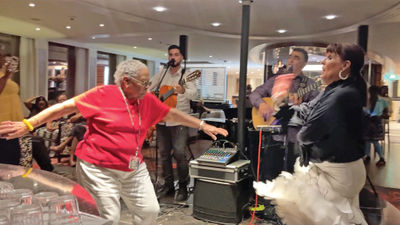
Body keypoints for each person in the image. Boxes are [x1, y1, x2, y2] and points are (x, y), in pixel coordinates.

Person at [0, 59, 227, 225]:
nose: (148, 88)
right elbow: (64, 107)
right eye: (145, 83)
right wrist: (28, 125)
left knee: (149, 210)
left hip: (132, 168)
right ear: (126, 81)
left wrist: (202, 125)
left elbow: (171, 114)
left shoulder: (145, 100)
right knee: (109, 216)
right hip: (98, 168)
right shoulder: (102, 94)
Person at [254, 43, 368, 225]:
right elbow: (307, 110)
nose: (323, 61)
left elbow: (308, 131)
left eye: (329, 58)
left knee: (318, 214)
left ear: (345, 66)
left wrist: (295, 114)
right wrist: (278, 106)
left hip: (336, 170)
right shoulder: (331, 90)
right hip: (326, 165)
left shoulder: (339, 94)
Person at [249, 48, 319, 180]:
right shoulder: (275, 80)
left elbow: (316, 112)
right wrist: (262, 104)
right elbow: (255, 94)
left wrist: (301, 107)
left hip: (296, 140)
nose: (291, 60)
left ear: (304, 63)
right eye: (290, 56)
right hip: (274, 138)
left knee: (294, 176)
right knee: (269, 174)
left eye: (296, 57)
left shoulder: (310, 85)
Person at [149, 45, 198, 201]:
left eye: (176, 54)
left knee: (178, 153)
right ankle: (169, 185)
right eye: (171, 54)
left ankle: (183, 186)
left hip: (179, 121)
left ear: (181, 57)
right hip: (162, 120)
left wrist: (183, 91)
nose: (173, 57)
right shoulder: (162, 74)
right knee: (163, 154)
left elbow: (194, 94)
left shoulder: (187, 75)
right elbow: (151, 88)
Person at [0, 54, 22, 165]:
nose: (3, 60)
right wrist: (8, 74)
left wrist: (8, 74)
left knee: (13, 159)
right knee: (6, 160)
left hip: (11, 123)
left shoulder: (3, 75)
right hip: (2, 123)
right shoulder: (4, 76)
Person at [364, 85, 386, 166]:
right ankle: (379, 157)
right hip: (377, 122)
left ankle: (371, 156)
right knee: (373, 141)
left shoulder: (371, 100)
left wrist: (363, 110)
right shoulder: (381, 100)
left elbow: (368, 111)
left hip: (371, 122)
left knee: (369, 140)